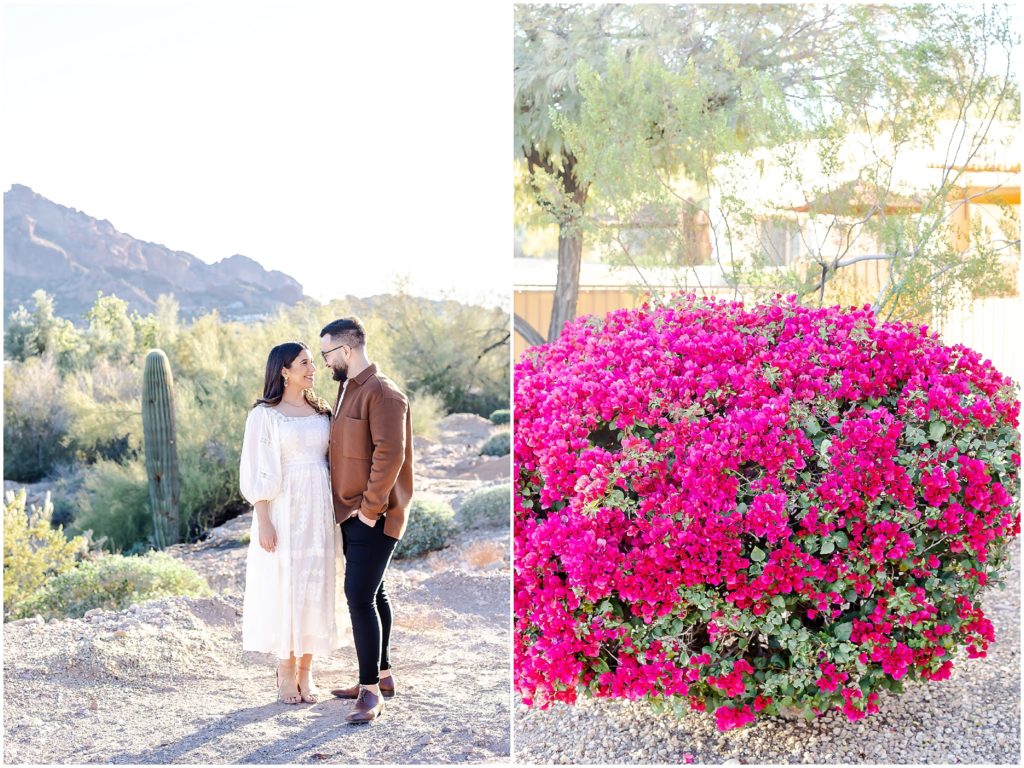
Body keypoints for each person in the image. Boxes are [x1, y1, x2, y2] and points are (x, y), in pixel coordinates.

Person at [239, 341, 346, 705]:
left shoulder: (323, 412)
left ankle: (306, 671)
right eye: (305, 363)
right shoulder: (265, 415)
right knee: (285, 585)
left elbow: (335, 463)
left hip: (318, 510)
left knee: (315, 585)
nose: (313, 369)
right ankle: (285, 672)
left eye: (314, 362)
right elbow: (257, 472)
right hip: (284, 508)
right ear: (284, 371)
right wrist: (264, 518)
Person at [319, 317, 413, 724]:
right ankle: (383, 674)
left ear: (347, 350)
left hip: (374, 515)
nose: (324, 362)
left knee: (358, 596)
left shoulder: (384, 394)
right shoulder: (346, 390)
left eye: (326, 354)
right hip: (351, 513)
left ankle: (370, 692)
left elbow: (390, 456)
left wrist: (370, 511)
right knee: (374, 594)